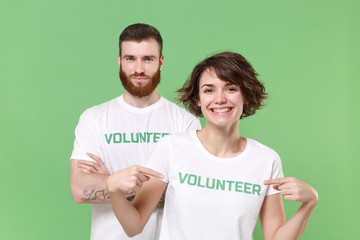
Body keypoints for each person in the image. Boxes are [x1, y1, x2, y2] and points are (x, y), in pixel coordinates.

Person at [106, 52, 319, 240]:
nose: (219, 99)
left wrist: (309, 203)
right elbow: (133, 226)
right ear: (197, 99)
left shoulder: (266, 159)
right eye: (209, 90)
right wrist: (113, 190)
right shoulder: (172, 148)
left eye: (231, 89)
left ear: (245, 95)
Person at [69, 23, 201, 240]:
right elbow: (79, 190)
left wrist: (112, 182)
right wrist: (160, 185)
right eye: (131, 58)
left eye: (148, 59)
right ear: (119, 60)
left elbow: (191, 193)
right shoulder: (94, 119)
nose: (139, 68)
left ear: (161, 61)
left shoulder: (185, 122)